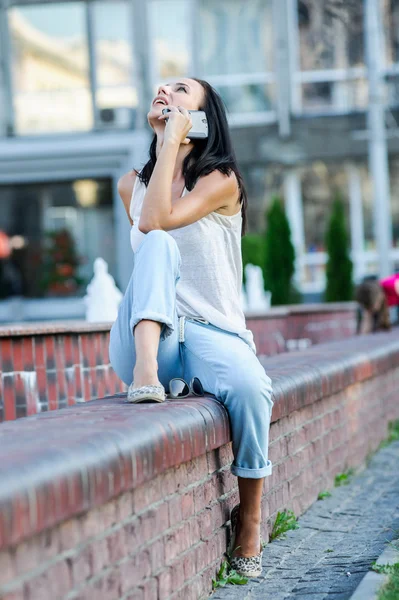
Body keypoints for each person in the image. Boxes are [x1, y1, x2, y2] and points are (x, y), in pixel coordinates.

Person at [109, 77, 274, 578]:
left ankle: (250, 519)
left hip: (209, 333)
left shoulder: (220, 181)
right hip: (143, 339)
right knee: (155, 248)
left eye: (181, 91)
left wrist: (171, 144)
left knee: (252, 390)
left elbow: (160, 219)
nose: (164, 91)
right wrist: (165, 150)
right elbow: (152, 229)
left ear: (203, 119)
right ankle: (146, 376)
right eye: (161, 87)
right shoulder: (130, 183)